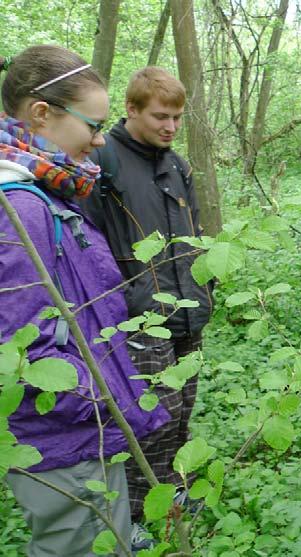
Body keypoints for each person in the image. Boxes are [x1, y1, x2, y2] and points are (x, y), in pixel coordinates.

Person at [0, 45, 169, 556]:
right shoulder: (20, 210)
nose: (99, 140)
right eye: (91, 125)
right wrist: (102, 402)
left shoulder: (47, 194)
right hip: (63, 437)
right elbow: (21, 346)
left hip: (80, 431)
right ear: (41, 114)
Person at [81, 67, 213, 530]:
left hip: (187, 311)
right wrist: (122, 303)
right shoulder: (104, 162)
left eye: (177, 118)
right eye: (160, 116)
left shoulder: (176, 165)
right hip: (137, 315)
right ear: (131, 109)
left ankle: (176, 489)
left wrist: (204, 290)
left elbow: (194, 233)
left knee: (182, 411)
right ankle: (133, 513)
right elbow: (89, 244)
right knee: (151, 415)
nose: (170, 127)